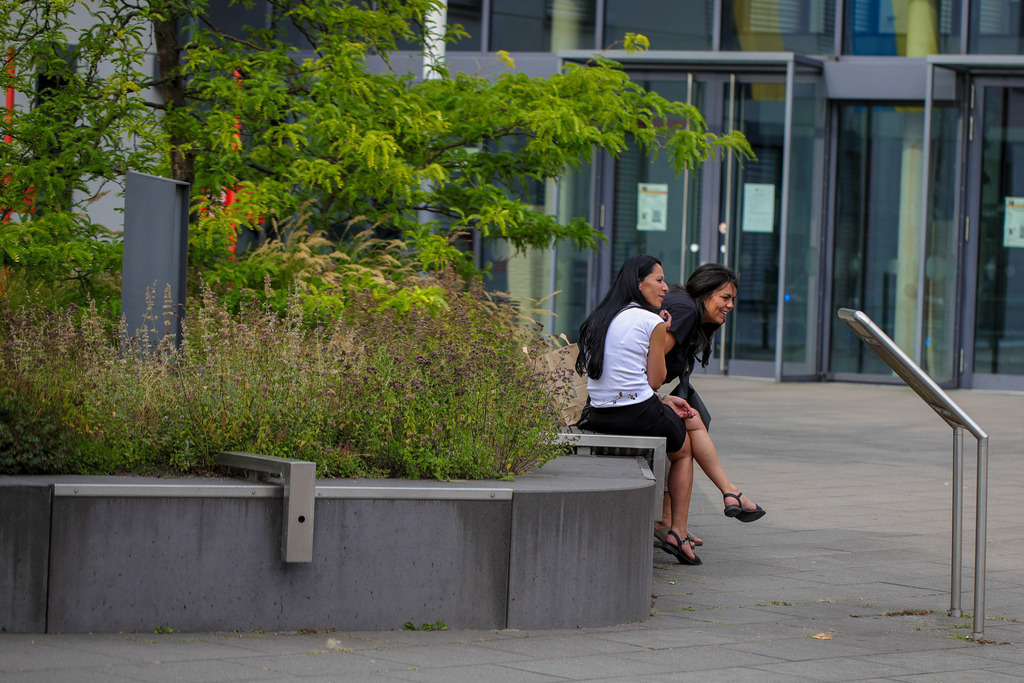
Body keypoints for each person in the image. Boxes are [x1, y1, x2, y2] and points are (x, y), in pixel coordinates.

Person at [575, 254, 703, 565]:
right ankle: (678, 531)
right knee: (684, 447)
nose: (664, 287)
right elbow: (655, 379)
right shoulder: (651, 321)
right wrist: (660, 333)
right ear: (639, 282)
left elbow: (622, 380)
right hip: (637, 413)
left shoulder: (600, 317)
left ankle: (670, 523)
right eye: (659, 280)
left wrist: (664, 399)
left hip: (599, 414)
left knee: (671, 416)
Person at [653, 263, 765, 549]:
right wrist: (662, 398)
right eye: (725, 298)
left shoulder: (690, 315)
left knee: (690, 420)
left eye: (733, 300)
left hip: (635, 394)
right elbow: (643, 362)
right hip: (622, 397)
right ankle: (729, 494)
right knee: (686, 430)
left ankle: (672, 521)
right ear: (704, 293)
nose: (730, 305)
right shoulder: (684, 308)